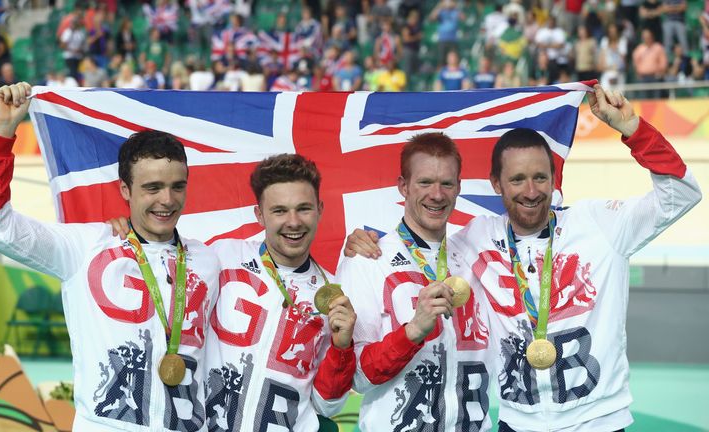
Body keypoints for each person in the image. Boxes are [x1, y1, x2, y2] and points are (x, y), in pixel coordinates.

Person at [344, 84, 702, 431]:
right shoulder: (476, 239)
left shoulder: (601, 225)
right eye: (517, 179)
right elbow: (421, 239)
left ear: (554, 179)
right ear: (496, 184)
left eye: (539, 178)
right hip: (517, 425)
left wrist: (633, 131)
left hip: (598, 423)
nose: (530, 192)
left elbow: (681, 195)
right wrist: (368, 238)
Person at [0, 83, 221, 430]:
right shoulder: (85, 246)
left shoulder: (209, 260)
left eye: (177, 186)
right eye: (152, 188)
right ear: (125, 190)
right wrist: (2, 132)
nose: (167, 199)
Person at [109, 154, 358, 431]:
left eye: (304, 209)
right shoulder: (219, 256)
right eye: (279, 211)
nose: (293, 222)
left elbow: (328, 406)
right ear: (259, 215)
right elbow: (158, 265)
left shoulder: (336, 295)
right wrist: (126, 228)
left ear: (320, 209)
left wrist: (342, 348)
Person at [337, 133, 492, 431]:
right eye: (424, 183)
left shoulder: (477, 253)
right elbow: (357, 376)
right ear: (403, 186)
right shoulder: (366, 260)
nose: (437, 194)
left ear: (459, 187)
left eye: (447, 183)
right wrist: (412, 332)